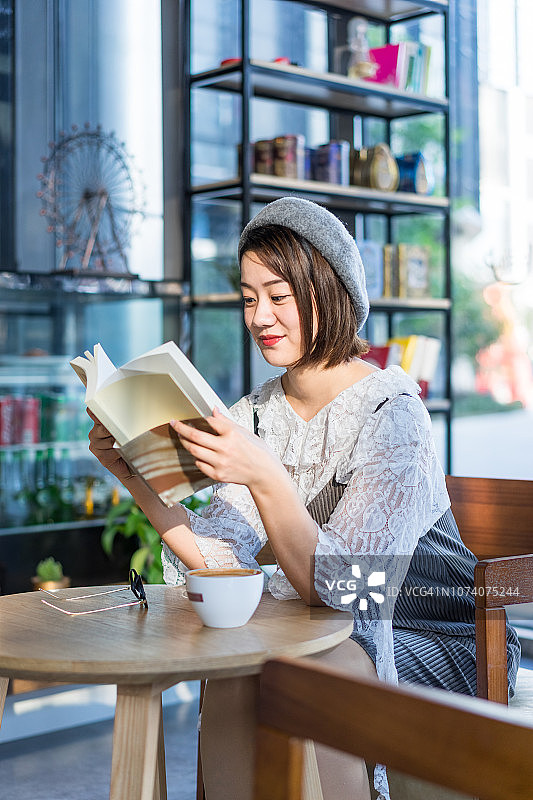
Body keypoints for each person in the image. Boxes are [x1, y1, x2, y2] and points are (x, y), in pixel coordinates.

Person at [88, 197, 520, 800]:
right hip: (319, 630)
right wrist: (134, 476)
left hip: (430, 632)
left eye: (278, 295)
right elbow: (224, 562)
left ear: (327, 291)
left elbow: (359, 590)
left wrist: (266, 479)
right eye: (247, 296)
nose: (259, 314)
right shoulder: (254, 417)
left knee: (306, 675)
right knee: (240, 669)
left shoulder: (392, 413)